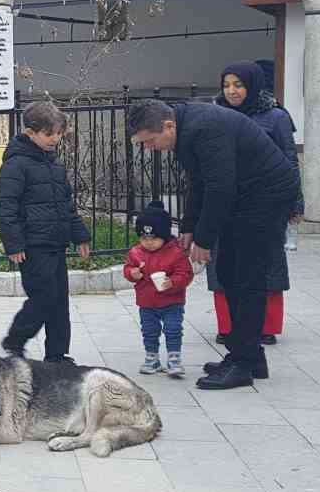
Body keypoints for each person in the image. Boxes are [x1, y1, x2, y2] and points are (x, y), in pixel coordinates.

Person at [127, 98, 298, 389]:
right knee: (230, 273)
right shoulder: (186, 129)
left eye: (151, 140)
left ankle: (243, 365)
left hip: (265, 197)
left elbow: (220, 188)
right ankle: (248, 355)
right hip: (245, 196)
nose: (149, 148)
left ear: (168, 126)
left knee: (246, 275)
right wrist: (190, 226)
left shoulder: (206, 129)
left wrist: (204, 239)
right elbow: (199, 181)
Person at [208, 61, 301, 346]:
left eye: (238, 85)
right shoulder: (216, 115)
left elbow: (289, 160)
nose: (232, 91)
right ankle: (228, 325)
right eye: (227, 85)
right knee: (223, 263)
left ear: (253, 85)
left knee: (266, 262)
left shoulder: (275, 117)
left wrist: (295, 202)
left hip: (266, 200)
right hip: (227, 200)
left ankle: (265, 326)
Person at [0, 102, 91, 364]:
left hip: (56, 242)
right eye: (49, 134)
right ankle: (16, 339)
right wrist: (14, 244)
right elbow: (6, 208)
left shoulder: (54, 165)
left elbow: (66, 204)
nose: (55, 139)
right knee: (44, 296)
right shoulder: (15, 166)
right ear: (30, 132)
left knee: (60, 300)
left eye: (59, 133)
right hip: (33, 246)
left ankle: (57, 354)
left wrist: (79, 234)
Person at [123, 201, 194, 378]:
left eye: (154, 238)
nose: (149, 243)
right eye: (144, 238)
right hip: (147, 302)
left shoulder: (176, 253)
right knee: (149, 331)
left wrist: (173, 282)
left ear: (164, 236)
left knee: (173, 329)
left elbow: (186, 273)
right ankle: (152, 357)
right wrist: (133, 273)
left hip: (172, 301)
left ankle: (174, 358)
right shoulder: (136, 253)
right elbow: (128, 269)